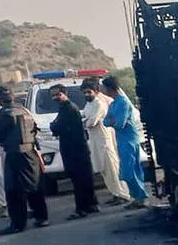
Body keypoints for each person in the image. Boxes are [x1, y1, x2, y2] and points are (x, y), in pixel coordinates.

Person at [0, 85, 49, 235]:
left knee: (13, 190)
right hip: (30, 152)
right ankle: (41, 216)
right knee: (34, 186)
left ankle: (17, 224)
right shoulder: (24, 110)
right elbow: (35, 130)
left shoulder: (5, 113)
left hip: (15, 153)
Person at [48, 83, 99, 219]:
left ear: (65, 94)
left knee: (79, 180)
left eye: (58, 94)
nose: (55, 98)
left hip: (75, 150)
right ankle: (91, 205)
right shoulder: (64, 108)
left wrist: (54, 127)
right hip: (75, 149)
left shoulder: (69, 108)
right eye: (53, 95)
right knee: (84, 178)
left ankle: (82, 208)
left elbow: (58, 127)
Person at [80, 78, 129, 205]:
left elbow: (92, 122)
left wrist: (85, 121)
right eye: (84, 92)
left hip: (104, 139)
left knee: (112, 167)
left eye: (89, 92)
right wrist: (86, 121)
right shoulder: (88, 105)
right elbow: (87, 120)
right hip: (95, 139)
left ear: (96, 91)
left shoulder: (99, 104)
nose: (87, 95)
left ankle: (123, 194)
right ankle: (115, 193)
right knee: (102, 168)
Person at [102, 76, 148, 208]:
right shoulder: (113, 104)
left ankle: (141, 196)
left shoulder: (123, 103)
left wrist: (112, 120)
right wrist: (112, 120)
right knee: (128, 168)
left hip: (129, 139)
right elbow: (106, 122)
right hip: (121, 139)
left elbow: (119, 123)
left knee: (130, 169)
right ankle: (137, 197)